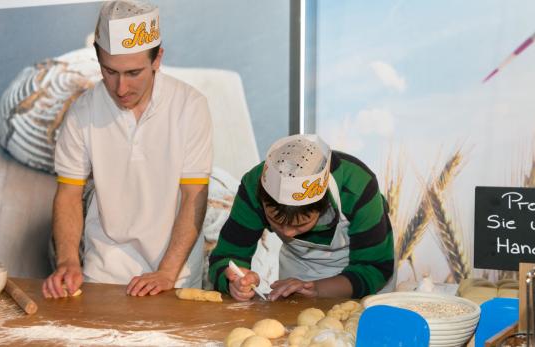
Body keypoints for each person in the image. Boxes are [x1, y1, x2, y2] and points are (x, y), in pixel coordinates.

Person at [43, 0, 212, 299]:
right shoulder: (83, 112)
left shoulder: (189, 106)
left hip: (175, 271)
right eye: (110, 71)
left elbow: (193, 196)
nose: (121, 88)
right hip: (104, 270)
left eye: (134, 73)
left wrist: (167, 272)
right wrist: (68, 261)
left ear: (157, 58)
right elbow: (68, 195)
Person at [209, 134, 393, 301]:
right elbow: (227, 255)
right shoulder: (253, 186)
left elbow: (374, 267)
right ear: (262, 202)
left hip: (364, 273)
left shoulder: (357, 186)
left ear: (322, 207)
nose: (288, 233)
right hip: (299, 270)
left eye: (301, 225)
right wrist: (235, 281)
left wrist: (319, 289)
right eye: (277, 223)